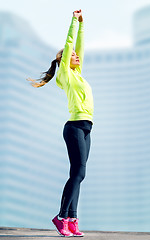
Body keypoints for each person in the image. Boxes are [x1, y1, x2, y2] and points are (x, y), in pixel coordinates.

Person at [26, 9, 94, 237]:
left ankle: (72, 219)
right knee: (77, 172)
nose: (76, 55)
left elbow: (80, 47)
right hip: (74, 127)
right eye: (71, 54)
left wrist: (83, 25)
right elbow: (69, 43)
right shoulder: (64, 73)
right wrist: (74, 21)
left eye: (76, 55)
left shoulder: (79, 73)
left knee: (80, 173)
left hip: (86, 127)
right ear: (62, 59)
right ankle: (62, 216)